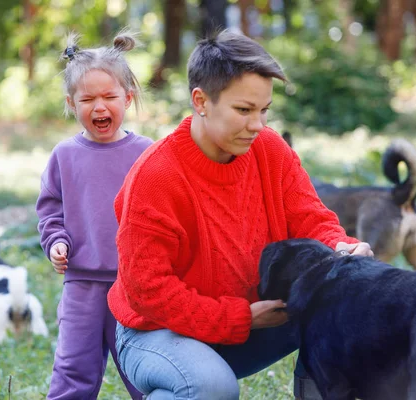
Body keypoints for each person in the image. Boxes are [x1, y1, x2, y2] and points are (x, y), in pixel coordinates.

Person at [107, 29, 373, 400]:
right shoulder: (156, 176)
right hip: (155, 332)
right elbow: (147, 291)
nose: (257, 125)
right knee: (211, 387)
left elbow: (312, 220)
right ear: (200, 100)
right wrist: (238, 318)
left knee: (349, 308)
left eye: (264, 110)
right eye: (244, 110)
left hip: (248, 320)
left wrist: (343, 248)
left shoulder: (269, 149)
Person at [36, 29, 153, 400]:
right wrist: (56, 241)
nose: (99, 107)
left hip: (135, 287)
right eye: (87, 99)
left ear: (128, 98)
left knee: (146, 371)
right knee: (73, 369)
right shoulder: (64, 156)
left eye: (109, 97)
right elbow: (50, 208)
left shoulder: (147, 154)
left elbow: (165, 212)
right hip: (81, 286)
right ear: (72, 103)